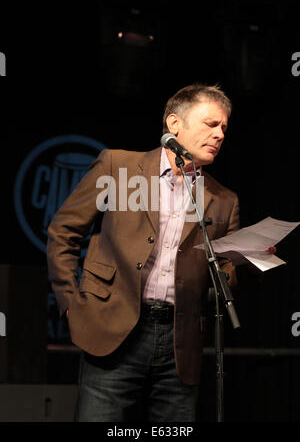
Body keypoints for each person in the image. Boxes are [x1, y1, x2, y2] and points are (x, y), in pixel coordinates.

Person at [47, 83, 274, 422]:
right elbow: (63, 231)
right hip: (114, 329)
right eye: (211, 124)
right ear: (174, 124)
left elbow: (225, 278)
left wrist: (254, 260)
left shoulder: (224, 199)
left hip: (179, 341)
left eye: (224, 128)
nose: (220, 134)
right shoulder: (118, 167)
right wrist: (69, 302)